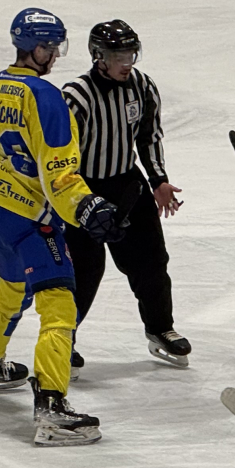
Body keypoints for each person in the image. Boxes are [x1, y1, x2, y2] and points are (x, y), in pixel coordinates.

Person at [0, 8, 124, 447]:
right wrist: (86, 207)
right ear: (35, 49)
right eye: (51, 47)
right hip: (35, 222)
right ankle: (52, 406)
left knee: (12, 289)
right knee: (59, 306)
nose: (55, 55)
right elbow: (60, 174)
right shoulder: (46, 97)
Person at [62, 19, 191, 371]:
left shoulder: (142, 86)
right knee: (84, 271)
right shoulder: (76, 96)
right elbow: (59, 156)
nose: (126, 63)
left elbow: (149, 136)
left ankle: (160, 327)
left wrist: (158, 180)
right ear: (98, 56)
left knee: (151, 261)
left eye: (130, 54)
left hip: (127, 187)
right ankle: (61, 340)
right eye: (118, 56)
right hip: (82, 192)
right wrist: (68, 200)